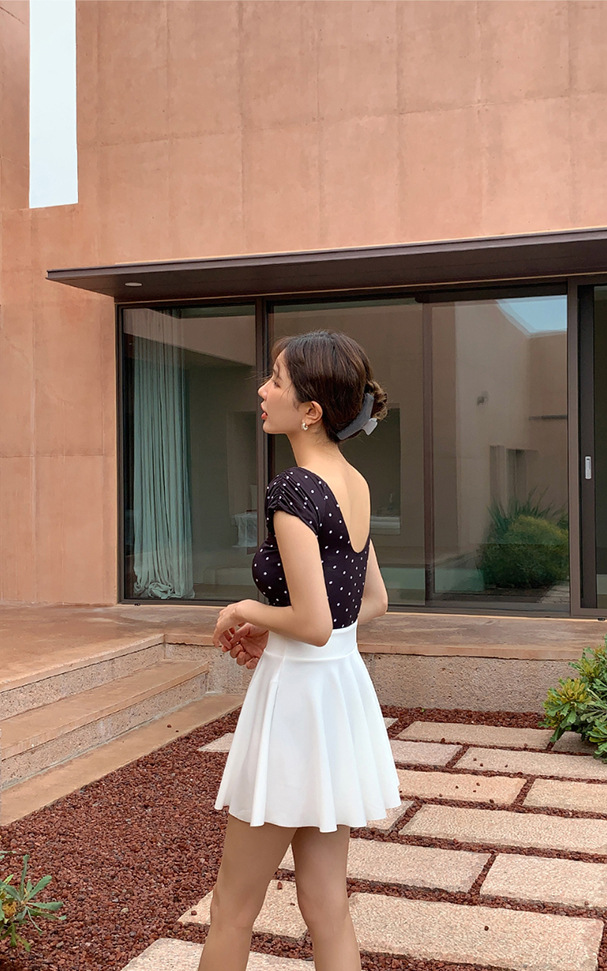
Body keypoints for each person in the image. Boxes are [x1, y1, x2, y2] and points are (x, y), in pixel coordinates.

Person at [198, 330, 401, 971]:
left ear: (310, 410)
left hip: (294, 702)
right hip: (338, 693)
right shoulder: (354, 482)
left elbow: (313, 621)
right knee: (326, 904)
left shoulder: (294, 490)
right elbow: (371, 602)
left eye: (276, 380)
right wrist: (283, 625)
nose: (262, 390)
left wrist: (245, 611)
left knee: (232, 906)